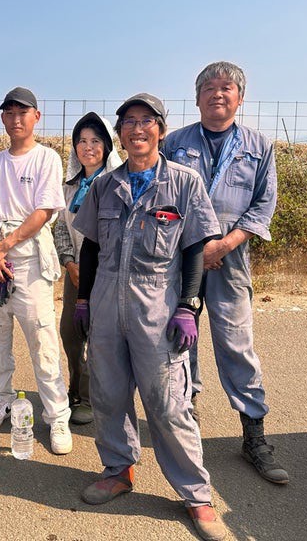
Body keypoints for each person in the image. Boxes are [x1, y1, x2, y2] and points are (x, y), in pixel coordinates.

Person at [72, 93, 228, 540]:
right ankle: (118, 470)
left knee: (168, 404)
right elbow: (92, 247)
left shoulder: (183, 183)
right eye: (128, 122)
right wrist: (83, 300)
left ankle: (196, 495)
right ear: (119, 133)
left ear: (160, 129)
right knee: (108, 394)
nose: (137, 129)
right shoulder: (104, 185)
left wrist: (188, 306)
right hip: (105, 303)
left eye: (146, 121)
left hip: (157, 307)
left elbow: (196, 247)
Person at [163, 61, 288, 485]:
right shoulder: (174, 142)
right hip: (181, 259)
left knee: (237, 343)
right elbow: (161, 195)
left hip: (231, 260)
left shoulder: (259, 145)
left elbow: (263, 204)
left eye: (227, 88)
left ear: (240, 97)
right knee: (181, 339)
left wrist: (226, 244)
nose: (218, 94)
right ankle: (186, 419)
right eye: (209, 88)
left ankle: (254, 435)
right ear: (196, 98)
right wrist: (196, 246)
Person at [0, 86, 73, 455]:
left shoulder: (46, 159)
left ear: (35, 117)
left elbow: (45, 211)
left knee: (41, 336)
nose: (16, 119)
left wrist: (5, 245)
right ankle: (2, 396)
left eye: (22, 113)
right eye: (9, 113)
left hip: (27, 257)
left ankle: (57, 414)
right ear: (2, 119)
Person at [54, 112, 122, 425]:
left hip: (108, 274)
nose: (88, 147)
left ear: (107, 146)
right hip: (75, 273)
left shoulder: (118, 184)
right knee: (71, 331)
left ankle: (91, 397)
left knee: (101, 335)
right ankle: (75, 386)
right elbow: (60, 227)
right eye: (81, 141)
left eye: (95, 140)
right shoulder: (69, 186)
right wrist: (69, 262)